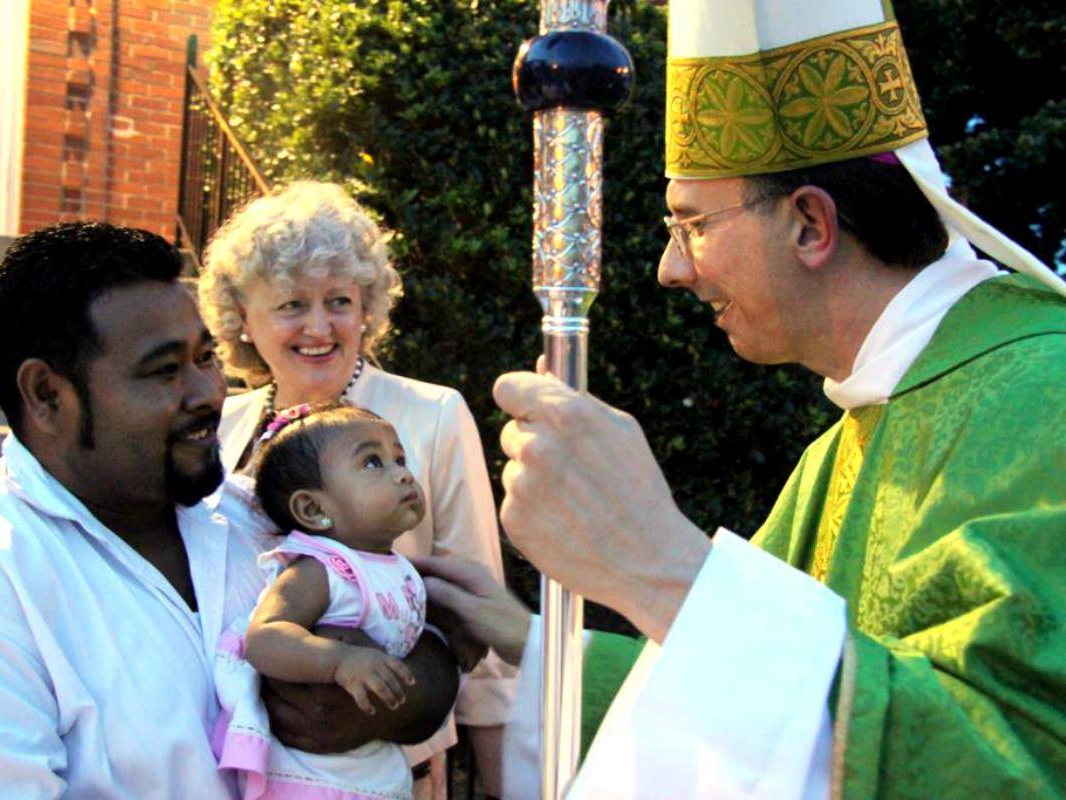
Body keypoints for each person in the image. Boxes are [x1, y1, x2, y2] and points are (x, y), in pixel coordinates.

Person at [425, 1, 1066, 798]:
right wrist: (529, 640)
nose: (671, 268)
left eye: (692, 223)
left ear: (809, 225)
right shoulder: (843, 447)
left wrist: (659, 564)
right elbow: (747, 678)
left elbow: (1020, 769)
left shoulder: (1046, 400)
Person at [0, 221, 460, 798]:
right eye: (164, 370)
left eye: (205, 359)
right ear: (48, 395)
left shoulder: (253, 514)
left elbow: (428, 633)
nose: (208, 393)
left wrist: (394, 699)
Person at [198, 181, 514, 797]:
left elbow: (481, 616)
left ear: (367, 307)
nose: (320, 327)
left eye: (339, 300)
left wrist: (505, 785)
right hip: (245, 772)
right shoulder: (220, 428)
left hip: (394, 773)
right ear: (244, 318)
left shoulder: (432, 415)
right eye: (291, 305)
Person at [213, 403, 431, 799]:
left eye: (399, 458)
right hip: (311, 781)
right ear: (313, 509)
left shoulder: (394, 565)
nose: (402, 474)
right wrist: (340, 661)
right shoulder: (321, 570)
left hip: (370, 770)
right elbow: (264, 638)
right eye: (372, 463)